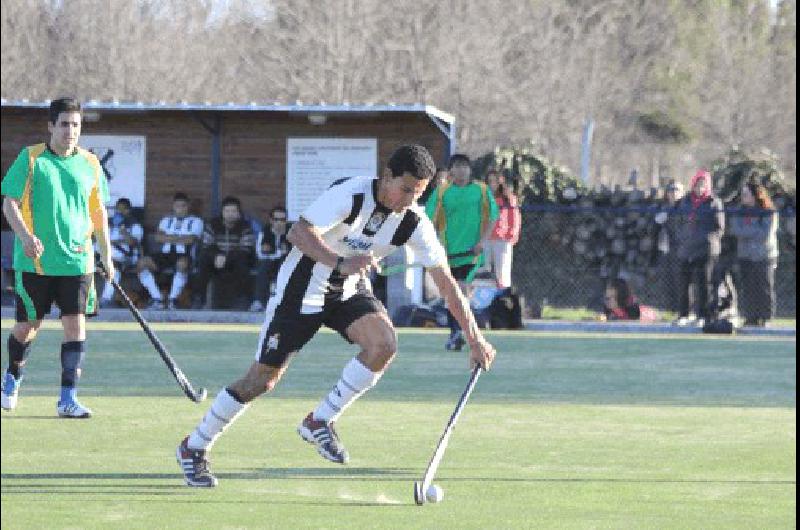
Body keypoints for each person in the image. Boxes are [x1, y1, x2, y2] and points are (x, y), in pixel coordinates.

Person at [175, 145, 496, 487]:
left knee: (383, 344)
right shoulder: (352, 193)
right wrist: (341, 263)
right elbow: (298, 232)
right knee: (262, 379)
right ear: (386, 176)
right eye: (405, 190)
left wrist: (476, 340)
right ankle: (194, 446)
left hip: (347, 290)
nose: (409, 200)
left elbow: (446, 284)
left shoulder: (414, 221)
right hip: (301, 289)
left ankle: (320, 420)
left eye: (418, 192)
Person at [1, 97, 113, 418]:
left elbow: (98, 211)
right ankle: (12, 376)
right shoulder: (31, 158)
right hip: (34, 262)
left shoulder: (91, 163)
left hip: (78, 261)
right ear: (51, 126)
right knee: (28, 327)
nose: (70, 130)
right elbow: (9, 203)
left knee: (75, 327)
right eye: (64, 124)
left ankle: (68, 398)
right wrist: (25, 236)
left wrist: (107, 254)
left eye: (76, 124)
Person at [425, 154, 499, 350]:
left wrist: (482, 242)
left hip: (471, 253)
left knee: (461, 290)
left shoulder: (481, 190)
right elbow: (427, 220)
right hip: (448, 254)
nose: (462, 170)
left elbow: (493, 216)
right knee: (453, 294)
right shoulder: (442, 192)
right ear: (451, 170)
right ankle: (457, 332)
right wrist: (434, 246)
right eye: (457, 166)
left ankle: (460, 333)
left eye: (465, 166)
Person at [673, 170, 724, 327]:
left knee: (703, 284)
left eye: (703, 185)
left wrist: (706, 240)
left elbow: (719, 227)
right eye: (697, 184)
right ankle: (684, 314)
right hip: (686, 249)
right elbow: (678, 222)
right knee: (684, 284)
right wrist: (683, 238)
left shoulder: (714, 202)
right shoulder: (685, 201)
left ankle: (703, 315)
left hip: (705, 250)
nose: (700, 188)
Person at [138, 192, 203, 310]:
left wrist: (169, 237)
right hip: (165, 254)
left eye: (183, 206)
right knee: (142, 263)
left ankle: (173, 300)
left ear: (188, 207)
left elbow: (191, 240)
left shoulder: (196, 221)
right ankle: (157, 299)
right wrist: (179, 238)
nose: (180, 209)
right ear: (173, 206)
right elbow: (158, 238)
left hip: (184, 255)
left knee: (182, 264)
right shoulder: (166, 220)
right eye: (178, 206)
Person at [192, 196, 256, 310]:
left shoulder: (245, 227)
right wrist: (217, 255)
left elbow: (246, 248)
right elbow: (206, 245)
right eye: (227, 211)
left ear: (239, 213)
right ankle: (199, 299)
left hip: (234, 261)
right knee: (203, 259)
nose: (230, 214)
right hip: (215, 261)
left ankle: (243, 299)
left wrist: (225, 257)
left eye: (233, 211)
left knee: (242, 261)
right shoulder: (212, 225)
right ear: (222, 212)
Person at [729, 181, 779, 326]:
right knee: (748, 287)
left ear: (755, 195)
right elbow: (735, 230)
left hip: (764, 256)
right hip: (745, 255)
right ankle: (751, 317)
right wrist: (752, 230)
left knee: (764, 287)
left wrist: (746, 231)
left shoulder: (768, 211)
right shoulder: (739, 211)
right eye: (742, 194)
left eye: (746, 194)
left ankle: (766, 317)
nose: (743, 197)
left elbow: (765, 233)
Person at [98, 197, 143, 308]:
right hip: (105, 256)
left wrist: (123, 232)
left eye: (123, 209)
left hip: (125, 259)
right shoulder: (109, 225)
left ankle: (105, 299)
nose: (120, 212)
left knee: (114, 269)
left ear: (129, 210)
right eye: (118, 209)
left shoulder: (134, 225)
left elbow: (133, 242)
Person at [249, 206, 292, 312]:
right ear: (271, 220)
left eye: (282, 220)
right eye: (276, 219)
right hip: (268, 263)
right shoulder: (264, 232)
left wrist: (277, 254)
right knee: (263, 266)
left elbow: (295, 253)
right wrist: (278, 254)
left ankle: (286, 303)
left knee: (286, 266)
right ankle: (258, 301)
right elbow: (260, 253)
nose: (279, 223)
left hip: (285, 264)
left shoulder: (292, 233)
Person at [484, 170, 521, 288]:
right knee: (485, 271)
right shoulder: (483, 198)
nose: (492, 184)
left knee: (502, 273)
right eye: (489, 181)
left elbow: (514, 218)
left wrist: (511, 236)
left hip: (502, 240)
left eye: (495, 181)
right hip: (486, 239)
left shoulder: (508, 198)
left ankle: (503, 297)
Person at [654, 181, 684, 314]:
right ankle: (669, 310)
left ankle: (682, 309)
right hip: (665, 249)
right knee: (666, 281)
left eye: (676, 190)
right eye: (671, 191)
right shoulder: (663, 208)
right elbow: (655, 226)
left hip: (681, 250)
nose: (673, 193)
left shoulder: (684, 208)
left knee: (681, 281)